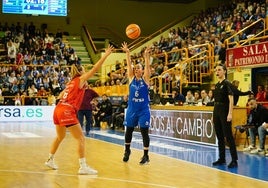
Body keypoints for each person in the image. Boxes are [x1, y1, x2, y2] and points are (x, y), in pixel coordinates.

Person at [45, 44, 114, 175]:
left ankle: (50, 159)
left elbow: (59, 97)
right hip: (66, 110)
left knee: (60, 137)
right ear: (81, 72)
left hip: (58, 109)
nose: (86, 73)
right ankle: (83, 166)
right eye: (84, 71)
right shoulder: (80, 79)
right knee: (81, 138)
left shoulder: (70, 83)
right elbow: (95, 68)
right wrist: (105, 55)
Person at [121, 42, 151, 165]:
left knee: (144, 131)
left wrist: (146, 56)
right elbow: (129, 65)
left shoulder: (146, 79)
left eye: (139, 67)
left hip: (143, 110)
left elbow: (148, 68)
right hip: (132, 110)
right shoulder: (131, 78)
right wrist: (127, 53)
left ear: (142, 70)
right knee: (129, 131)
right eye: (136, 68)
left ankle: (146, 155)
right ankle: (127, 151)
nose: (137, 69)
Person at [212, 63, 238, 168]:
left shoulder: (227, 83)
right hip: (217, 111)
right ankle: (222, 158)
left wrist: (230, 113)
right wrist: (213, 114)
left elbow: (231, 99)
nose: (217, 72)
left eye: (219, 70)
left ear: (224, 71)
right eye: (216, 70)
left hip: (224, 111)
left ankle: (234, 160)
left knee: (228, 136)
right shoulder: (217, 85)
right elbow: (215, 101)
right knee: (219, 136)